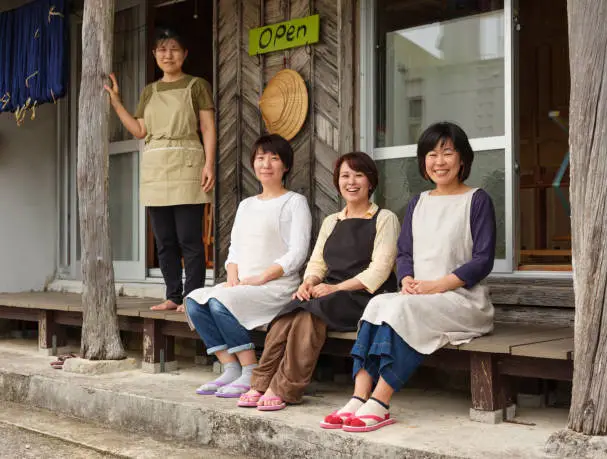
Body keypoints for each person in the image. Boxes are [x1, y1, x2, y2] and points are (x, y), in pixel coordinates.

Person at [321, 122, 497, 432]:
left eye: (447, 153)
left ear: (462, 160)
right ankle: (359, 397)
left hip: (461, 300)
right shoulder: (418, 202)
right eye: (431, 154)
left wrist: (437, 285)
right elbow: (405, 254)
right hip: (418, 295)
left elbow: (483, 260)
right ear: (423, 162)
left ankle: (381, 400)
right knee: (377, 305)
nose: (439, 161)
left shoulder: (477, 200)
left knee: (401, 310)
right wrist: (406, 279)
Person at [239, 152, 400, 411]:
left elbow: (379, 271)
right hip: (330, 291)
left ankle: (286, 387)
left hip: (366, 296)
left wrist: (334, 288)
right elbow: (317, 263)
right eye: (345, 176)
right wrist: (309, 283)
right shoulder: (331, 221)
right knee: (286, 315)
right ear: (337, 182)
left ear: (371, 181)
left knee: (308, 316)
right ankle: (261, 381)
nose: (352, 182)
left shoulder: (384, 218)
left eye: (359, 175)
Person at [185, 134, 311, 398]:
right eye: (260, 158)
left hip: (277, 286)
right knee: (194, 301)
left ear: (285, 166)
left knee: (221, 303)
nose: (266, 164)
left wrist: (263, 278)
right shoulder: (246, 205)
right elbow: (235, 249)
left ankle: (250, 369)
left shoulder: (294, 203)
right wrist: (232, 274)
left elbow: (298, 253)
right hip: (244, 284)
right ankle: (229, 367)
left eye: (274, 159)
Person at [104, 29, 216, 312]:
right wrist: (117, 103)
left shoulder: (197, 85)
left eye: (174, 49)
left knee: (189, 239)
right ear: (154, 55)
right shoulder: (149, 91)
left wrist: (209, 163)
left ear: (185, 54)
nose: (168, 55)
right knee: (164, 240)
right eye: (162, 50)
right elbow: (140, 130)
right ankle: (172, 295)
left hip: (188, 162)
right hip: (156, 166)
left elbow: (207, 128)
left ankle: (192, 296)